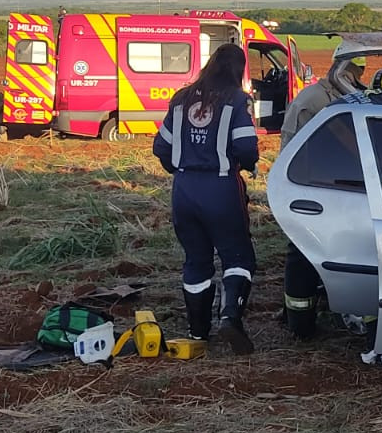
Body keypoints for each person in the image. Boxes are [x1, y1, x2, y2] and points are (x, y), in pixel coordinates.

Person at [152, 43, 259, 355]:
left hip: (183, 189)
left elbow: (162, 147)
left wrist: (182, 168)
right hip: (221, 187)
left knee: (196, 260)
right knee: (238, 256)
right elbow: (246, 148)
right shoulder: (238, 101)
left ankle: (198, 331)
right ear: (239, 71)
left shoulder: (182, 99)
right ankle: (230, 317)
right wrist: (247, 166)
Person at [278, 55, 366, 339]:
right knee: (305, 254)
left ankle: (299, 313)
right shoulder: (317, 102)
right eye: (357, 71)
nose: (359, 76)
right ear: (345, 69)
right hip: (311, 190)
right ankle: (299, 323)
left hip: (329, 188)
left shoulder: (338, 96)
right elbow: (318, 151)